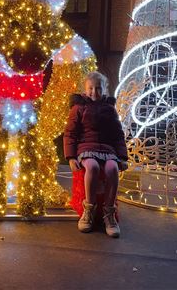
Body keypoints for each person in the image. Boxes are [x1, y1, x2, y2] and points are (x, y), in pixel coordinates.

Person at [63, 71, 128, 237]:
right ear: (85, 89)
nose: (94, 92)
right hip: (86, 147)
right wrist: (71, 157)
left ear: (104, 90)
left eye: (98, 88)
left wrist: (121, 157)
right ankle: (89, 210)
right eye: (90, 88)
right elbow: (70, 133)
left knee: (112, 168)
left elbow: (118, 134)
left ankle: (109, 213)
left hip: (107, 149)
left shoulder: (110, 109)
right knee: (91, 167)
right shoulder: (79, 108)